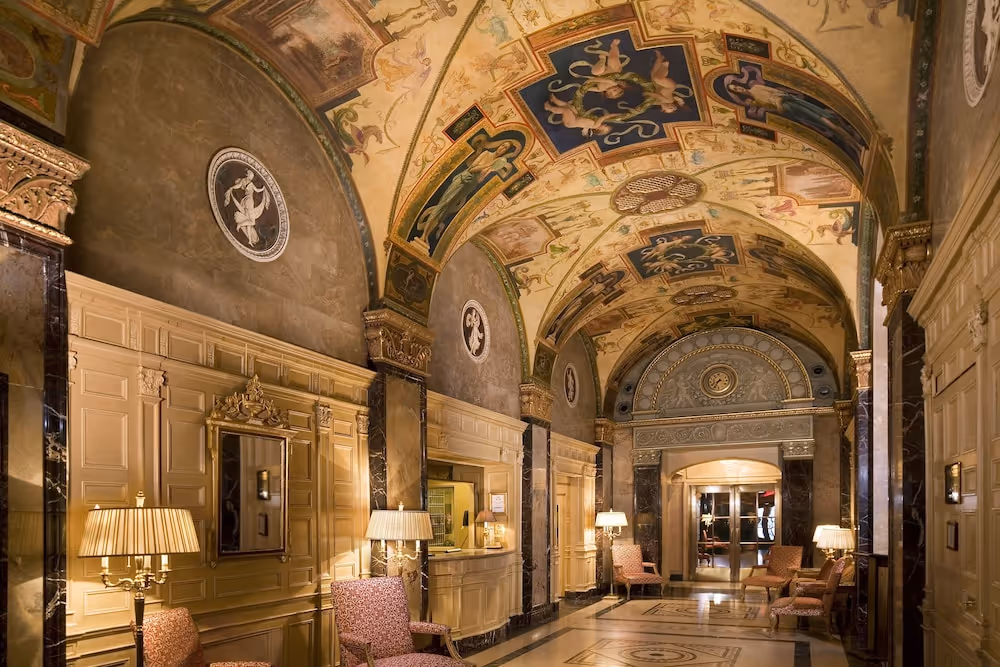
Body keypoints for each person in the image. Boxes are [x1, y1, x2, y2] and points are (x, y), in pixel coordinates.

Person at [223, 169, 270, 246]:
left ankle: (250, 240)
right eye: (251, 176)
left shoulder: (243, 181)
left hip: (244, 201)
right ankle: (240, 224)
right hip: (249, 201)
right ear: (250, 176)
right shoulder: (250, 183)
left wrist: (231, 188)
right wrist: (263, 188)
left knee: (249, 221)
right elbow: (257, 190)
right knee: (252, 222)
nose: (251, 177)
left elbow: (238, 186)